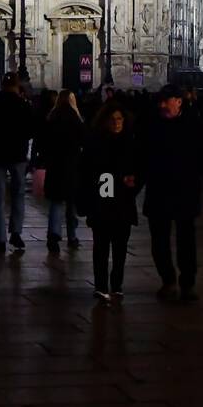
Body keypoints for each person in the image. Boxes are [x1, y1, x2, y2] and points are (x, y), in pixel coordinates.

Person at [139, 84, 203, 301]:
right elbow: (142, 159)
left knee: (187, 240)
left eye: (167, 101)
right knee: (159, 241)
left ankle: (187, 282)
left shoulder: (194, 125)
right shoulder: (152, 124)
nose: (162, 106)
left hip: (186, 190)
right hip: (158, 190)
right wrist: (133, 184)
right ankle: (168, 280)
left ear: (179, 101)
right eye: (160, 102)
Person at [77, 102, 139, 300]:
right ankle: (101, 284)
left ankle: (117, 283)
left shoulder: (130, 142)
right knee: (101, 246)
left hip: (122, 201)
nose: (116, 123)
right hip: (104, 198)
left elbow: (138, 171)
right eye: (112, 119)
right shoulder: (96, 142)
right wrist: (119, 179)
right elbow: (90, 172)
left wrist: (131, 182)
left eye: (119, 119)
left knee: (120, 247)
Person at [0, 73, 36, 253]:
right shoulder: (24, 106)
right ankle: (16, 232)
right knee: (18, 195)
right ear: (17, 86)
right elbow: (31, 130)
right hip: (17, 156)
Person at [37, 90, 84, 253]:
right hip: (71, 166)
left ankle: (53, 234)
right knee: (71, 204)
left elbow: (43, 141)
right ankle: (72, 236)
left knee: (56, 203)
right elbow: (83, 140)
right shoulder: (76, 119)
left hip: (55, 165)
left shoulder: (52, 117)